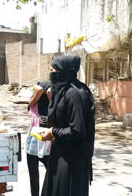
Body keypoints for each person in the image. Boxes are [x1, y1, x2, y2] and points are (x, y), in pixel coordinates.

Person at [40, 55, 95, 196]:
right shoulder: (67, 91)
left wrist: (53, 132)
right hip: (61, 155)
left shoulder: (73, 94)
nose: (51, 74)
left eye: (53, 71)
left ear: (63, 72)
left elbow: (77, 130)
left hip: (71, 161)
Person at [26, 81, 51, 196]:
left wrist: (38, 88)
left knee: (34, 176)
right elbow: (46, 91)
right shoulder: (53, 105)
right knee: (52, 174)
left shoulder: (33, 104)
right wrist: (49, 90)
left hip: (34, 144)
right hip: (48, 143)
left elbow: (40, 90)